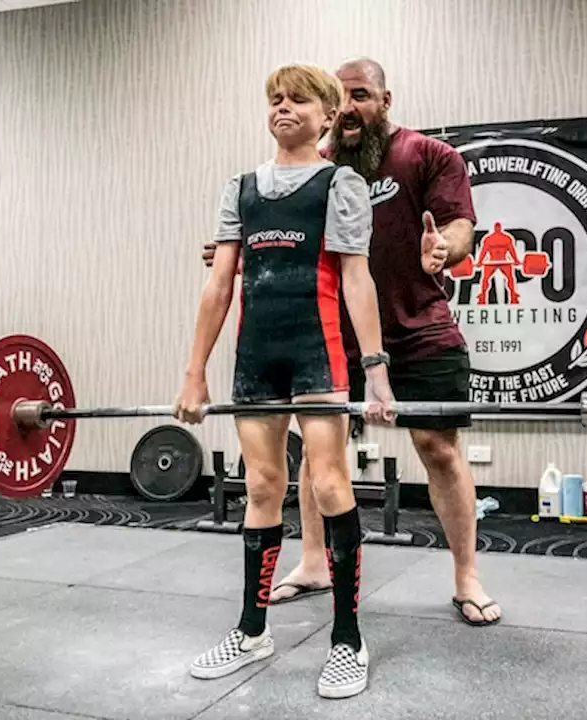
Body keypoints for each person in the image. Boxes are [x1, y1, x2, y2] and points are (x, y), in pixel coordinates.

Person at [202, 57, 503, 626]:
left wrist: (448, 250)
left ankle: (466, 574)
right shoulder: (316, 167)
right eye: (340, 98)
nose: (348, 108)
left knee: (439, 450)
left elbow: (460, 223)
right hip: (332, 334)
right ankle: (314, 562)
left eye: (361, 95)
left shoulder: (426, 155)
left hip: (419, 327)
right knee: (323, 458)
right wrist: (241, 251)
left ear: (386, 101)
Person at [173, 62, 396, 700]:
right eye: (275, 98)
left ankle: (348, 639)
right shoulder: (239, 189)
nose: (283, 107)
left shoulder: (340, 184)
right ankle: (251, 631)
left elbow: (357, 278)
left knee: (327, 481)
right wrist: (194, 373)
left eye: (299, 99)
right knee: (264, 485)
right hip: (255, 359)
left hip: (316, 354)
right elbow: (219, 284)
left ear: (327, 118)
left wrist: (375, 371)